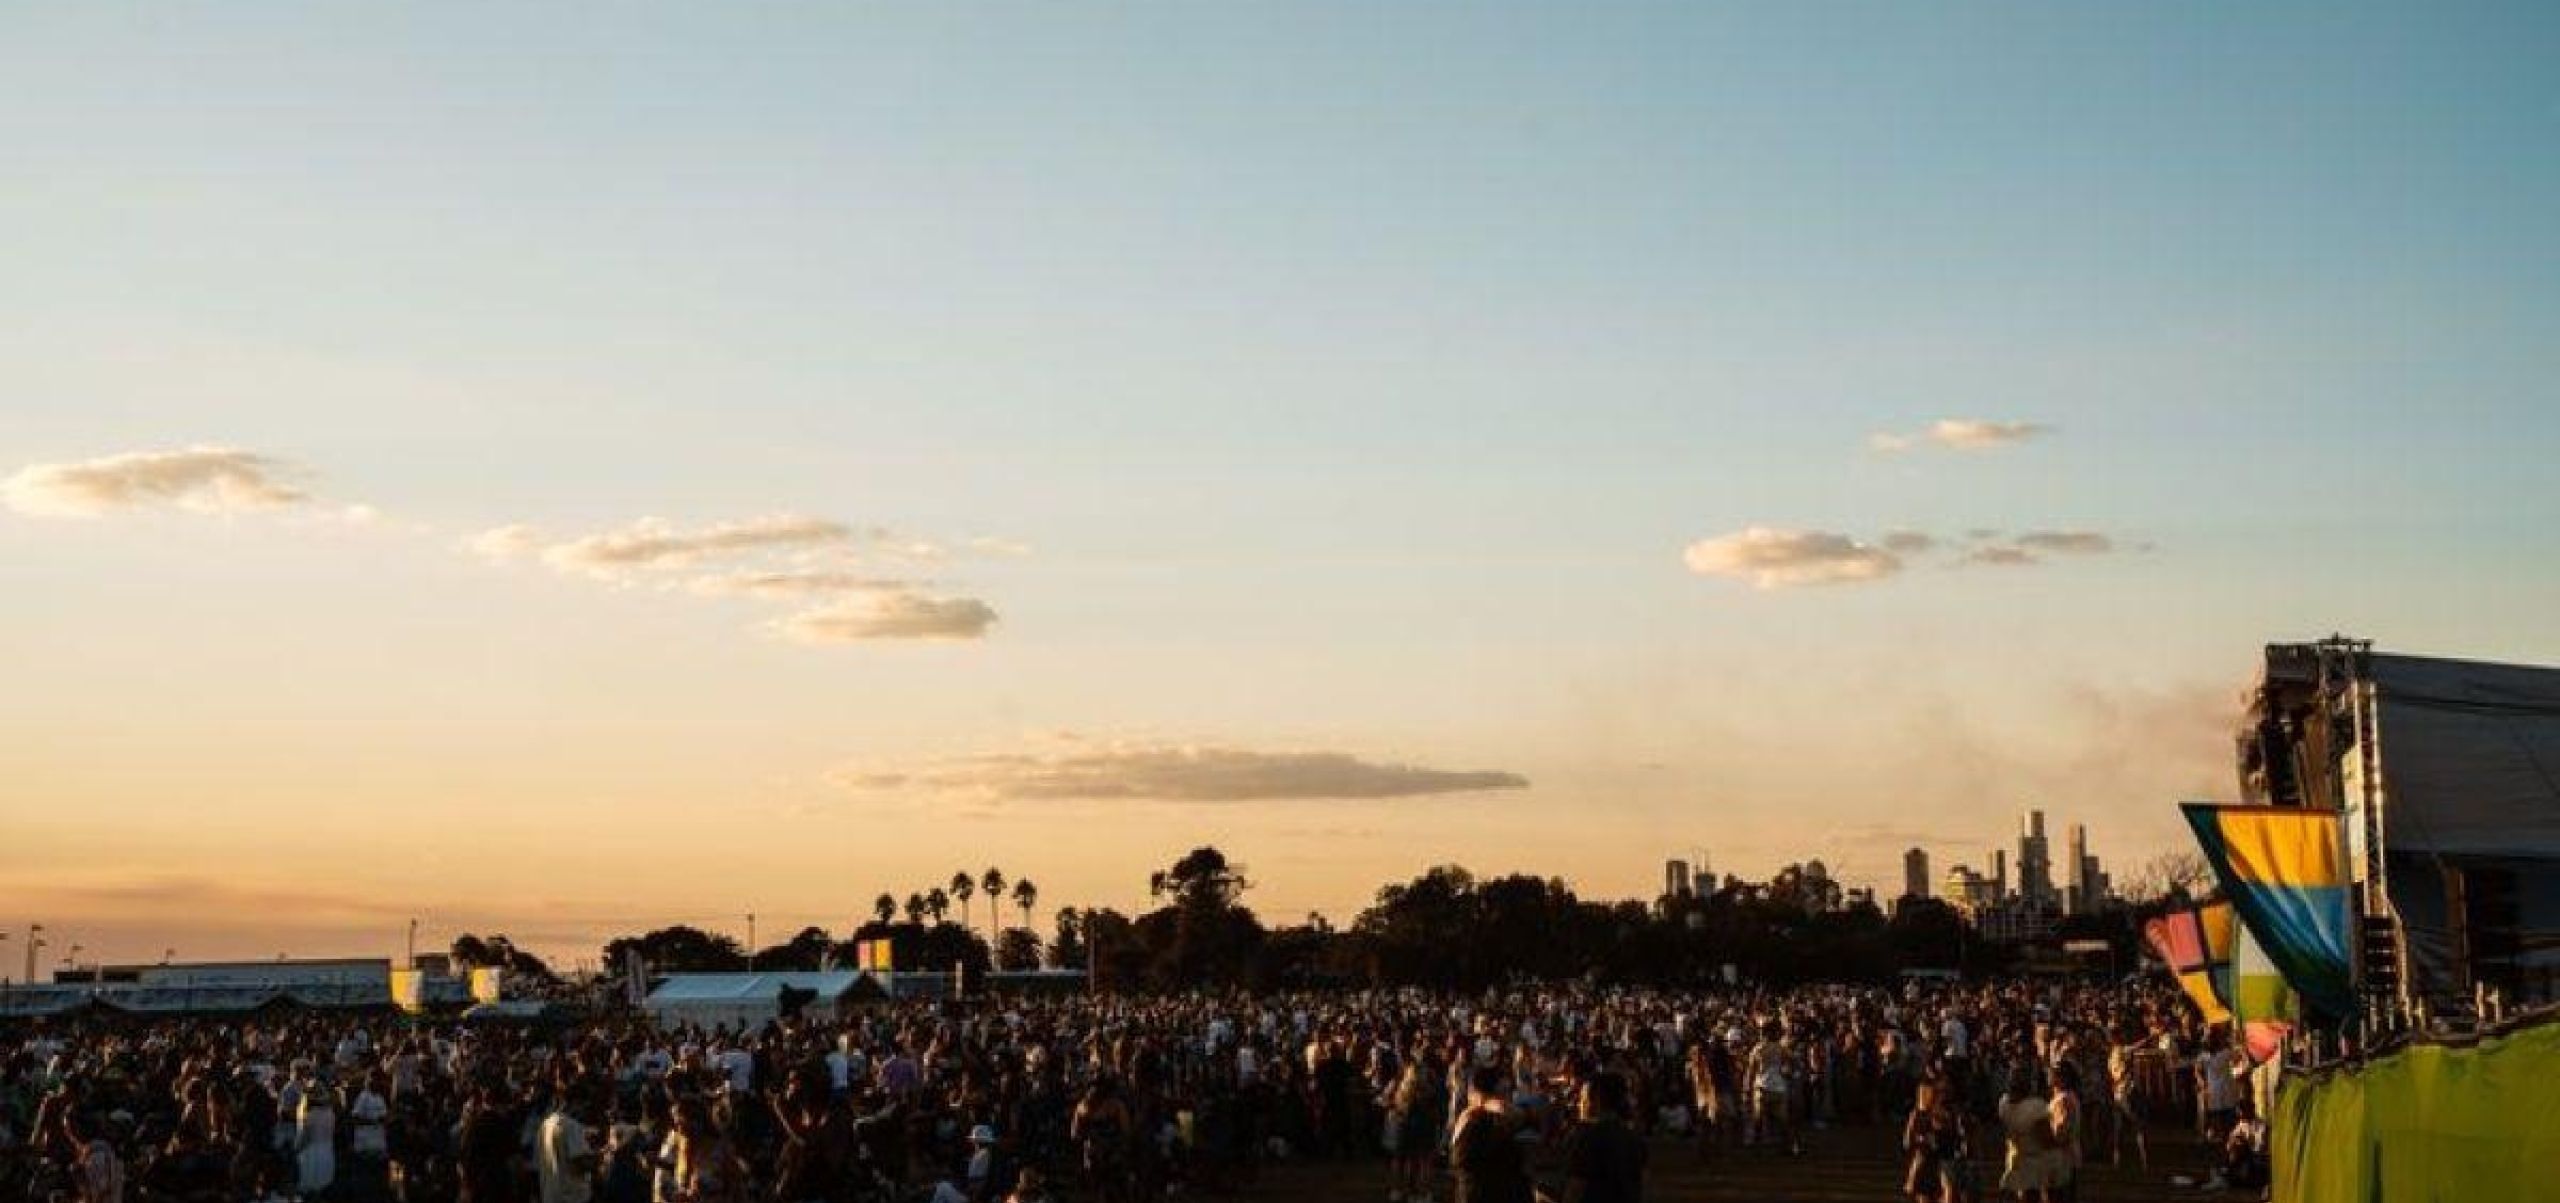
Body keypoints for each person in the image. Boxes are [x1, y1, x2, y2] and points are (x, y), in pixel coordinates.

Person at [1448, 1066, 1532, 1203]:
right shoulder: (1475, 1118)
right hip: (1484, 1192)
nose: (1510, 1096)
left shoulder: (1474, 1117)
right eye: (1505, 1090)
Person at [1559, 1071, 1646, 1203]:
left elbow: (1575, 1189)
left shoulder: (1589, 1136)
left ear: (1596, 1100)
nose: (1579, 1104)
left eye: (1583, 1098)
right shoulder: (1633, 1137)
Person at [1995, 1069, 2064, 1203]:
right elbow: (2046, 1138)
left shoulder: (2004, 1104)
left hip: (2014, 1158)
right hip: (2032, 1162)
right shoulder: (2035, 1107)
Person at [534, 1091, 595, 1203]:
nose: (584, 1111)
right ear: (577, 1103)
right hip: (571, 1196)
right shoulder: (572, 1126)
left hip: (550, 1195)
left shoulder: (544, 1126)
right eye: (584, 1106)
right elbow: (579, 1162)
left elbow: (537, 1163)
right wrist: (597, 1159)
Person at [296, 1075, 338, 1198]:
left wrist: (296, 1149)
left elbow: (304, 1137)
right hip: (327, 1151)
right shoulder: (330, 1114)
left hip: (311, 1153)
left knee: (309, 1186)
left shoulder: (309, 1115)